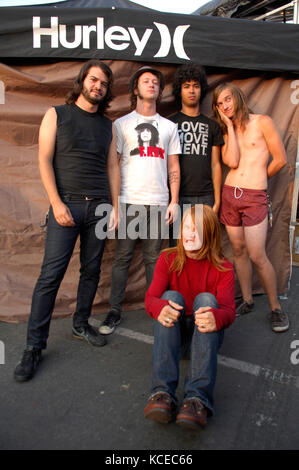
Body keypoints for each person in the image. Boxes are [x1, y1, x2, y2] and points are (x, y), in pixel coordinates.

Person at [14, 60, 120, 382]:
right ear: (82, 81)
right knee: (50, 276)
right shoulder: (56, 114)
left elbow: (113, 168)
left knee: (91, 270)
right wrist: (56, 203)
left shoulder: (108, 126)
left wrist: (115, 207)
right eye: (94, 79)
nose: (98, 86)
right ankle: (33, 347)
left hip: (100, 207)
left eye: (103, 83)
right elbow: (43, 160)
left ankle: (80, 323)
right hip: (67, 206)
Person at [99, 66, 181, 335]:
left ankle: (156, 308)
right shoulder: (120, 124)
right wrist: (114, 204)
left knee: (154, 261)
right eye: (146, 81)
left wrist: (174, 201)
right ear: (135, 89)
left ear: (160, 90)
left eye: (156, 82)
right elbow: (114, 165)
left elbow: (174, 166)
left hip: (158, 202)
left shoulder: (169, 127)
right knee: (122, 258)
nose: (152, 85)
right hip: (128, 201)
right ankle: (114, 311)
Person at [143, 205, 235, 430]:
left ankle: (197, 400)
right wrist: (160, 307)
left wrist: (216, 316)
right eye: (186, 227)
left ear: (210, 234)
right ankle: (162, 393)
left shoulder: (224, 268)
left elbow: (229, 311)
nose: (189, 234)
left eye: (197, 229)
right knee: (169, 297)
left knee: (206, 301)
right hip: (178, 336)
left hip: (205, 337)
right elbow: (150, 299)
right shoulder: (168, 259)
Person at [212, 82, 289, 332]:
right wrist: (230, 127)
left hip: (254, 196)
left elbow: (281, 159)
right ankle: (246, 300)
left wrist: (259, 182)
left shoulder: (262, 121)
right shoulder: (227, 130)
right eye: (219, 104)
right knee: (238, 250)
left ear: (237, 97)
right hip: (229, 194)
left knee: (257, 254)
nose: (225, 106)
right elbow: (232, 161)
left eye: (227, 100)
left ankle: (276, 308)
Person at [169, 63, 223, 221]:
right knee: (178, 245)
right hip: (178, 197)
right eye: (186, 86)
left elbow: (216, 164)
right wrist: (172, 198)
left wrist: (217, 200)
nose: (191, 90)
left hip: (206, 197)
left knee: (204, 245)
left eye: (196, 86)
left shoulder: (212, 125)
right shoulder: (169, 124)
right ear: (180, 90)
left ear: (202, 89)